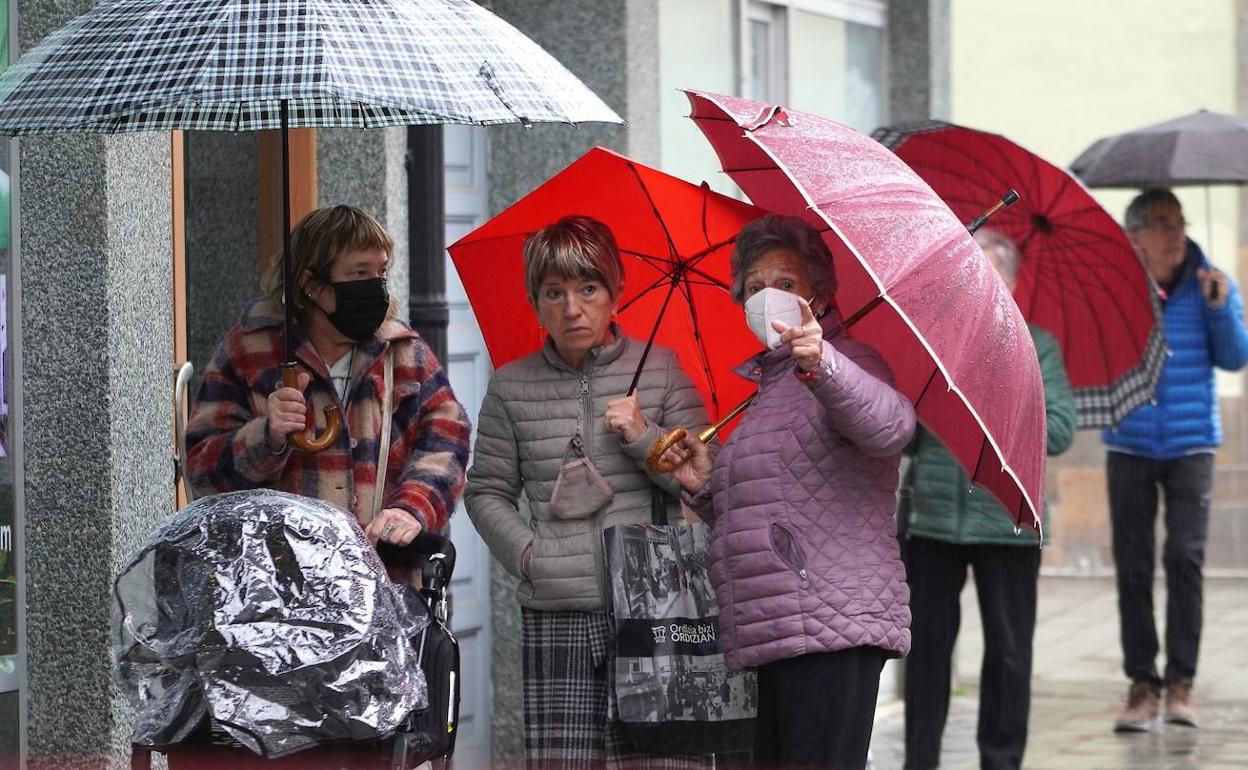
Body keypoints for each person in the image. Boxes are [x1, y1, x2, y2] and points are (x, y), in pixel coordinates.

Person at [658, 214, 916, 769]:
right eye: (753, 287)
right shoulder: (770, 387)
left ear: (818, 296)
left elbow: (892, 427)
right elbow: (774, 498)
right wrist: (705, 484)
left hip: (832, 624)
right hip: (777, 626)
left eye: (786, 283)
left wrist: (823, 364)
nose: (766, 296)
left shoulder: (850, 362)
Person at [464, 215, 709, 769]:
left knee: (663, 763)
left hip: (656, 608)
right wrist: (531, 557)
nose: (572, 308)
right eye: (554, 292)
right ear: (535, 301)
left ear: (616, 291)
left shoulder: (663, 371)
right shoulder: (510, 386)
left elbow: (705, 482)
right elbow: (486, 492)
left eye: (588, 288)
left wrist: (643, 437)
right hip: (559, 612)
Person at [186, 205, 471, 560]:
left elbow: (448, 439)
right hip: (279, 588)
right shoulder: (249, 352)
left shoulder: (404, 354)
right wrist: (267, 436)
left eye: (381, 272)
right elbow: (202, 471)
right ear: (311, 285)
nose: (375, 288)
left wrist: (411, 508)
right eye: (359, 273)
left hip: (383, 585)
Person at [900, 229, 1076, 770]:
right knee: (927, 651)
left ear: (1013, 282)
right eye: (969, 271)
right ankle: (919, 759)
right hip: (931, 520)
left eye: (991, 272)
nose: (980, 283)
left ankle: (1001, 761)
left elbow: (1062, 430)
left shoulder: (1038, 345)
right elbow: (900, 430)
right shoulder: (932, 341)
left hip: (1007, 519)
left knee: (1008, 650)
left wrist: (1000, 390)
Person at [1103, 188, 1248, 731]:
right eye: (1162, 224)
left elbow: (1236, 355)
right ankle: (1142, 684)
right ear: (1135, 237)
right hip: (1130, 440)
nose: (1176, 234)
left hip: (1191, 444)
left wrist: (1219, 307)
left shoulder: (1211, 282)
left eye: (1179, 222)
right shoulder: (1117, 284)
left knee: (1184, 559)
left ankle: (1181, 684)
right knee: (1134, 566)